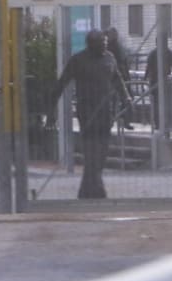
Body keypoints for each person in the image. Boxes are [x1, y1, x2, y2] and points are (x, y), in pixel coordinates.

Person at [46, 29, 130, 199]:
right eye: (101, 43)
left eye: (105, 43)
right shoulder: (78, 60)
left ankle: (87, 190)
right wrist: (51, 112)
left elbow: (118, 80)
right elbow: (60, 85)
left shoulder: (110, 58)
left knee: (102, 153)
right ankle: (96, 190)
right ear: (91, 44)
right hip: (88, 113)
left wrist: (127, 99)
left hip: (106, 113)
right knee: (91, 154)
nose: (105, 46)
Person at [105, 27, 135, 130]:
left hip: (123, 77)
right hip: (113, 78)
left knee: (126, 98)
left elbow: (124, 62)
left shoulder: (118, 47)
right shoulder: (108, 48)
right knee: (112, 101)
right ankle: (112, 121)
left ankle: (125, 120)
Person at [144, 43, 172, 129]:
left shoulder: (154, 53)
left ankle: (160, 123)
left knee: (158, 104)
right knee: (164, 103)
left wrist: (145, 78)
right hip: (160, 82)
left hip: (159, 82)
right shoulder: (168, 52)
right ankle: (165, 123)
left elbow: (148, 68)